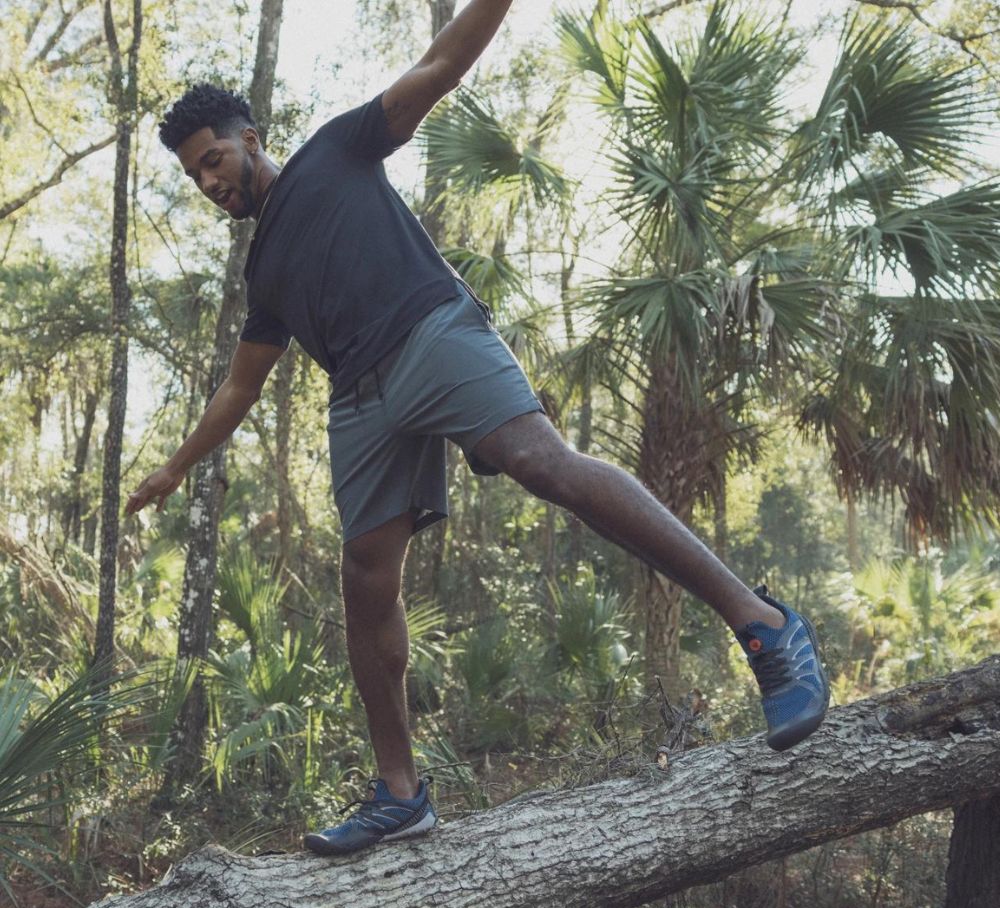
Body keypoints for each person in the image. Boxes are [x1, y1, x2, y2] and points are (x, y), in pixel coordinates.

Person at [126, 0, 829, 857]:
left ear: (250, 137)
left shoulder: (335, 151)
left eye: (213, 160)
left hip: (429, 330)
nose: (209, 182)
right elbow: (241, 385)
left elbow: (439, 66)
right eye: (195, 176)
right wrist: (175, 467)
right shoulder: (262, 269)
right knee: (364, 576)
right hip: (358, 396)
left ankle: (763, 624)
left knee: (542, 462)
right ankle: (400, 796)